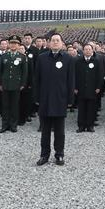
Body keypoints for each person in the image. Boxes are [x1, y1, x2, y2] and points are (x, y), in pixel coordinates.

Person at [34, 33, 75, 166]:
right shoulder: (42, 58)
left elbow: (71, 81)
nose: (55, 42)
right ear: (49, 43)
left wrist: (70, 99)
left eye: (58, 40)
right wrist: (36, 97)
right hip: (45, 99)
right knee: (45, 130)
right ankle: (44, 155)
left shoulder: (68, 59)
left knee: (59, 131)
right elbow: (37, 79)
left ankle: (59, 155)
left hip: (60, 99)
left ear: (62, 43)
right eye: (53, 40)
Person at [74, 43, 104, 132]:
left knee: (91, 108)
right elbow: (74, 75)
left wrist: (98, 87)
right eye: (86, 49)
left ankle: (90, 125)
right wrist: (75, 87)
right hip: (81, 89)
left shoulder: (96, 61)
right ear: (83, 51)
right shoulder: (78, 61)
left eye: (89, 49)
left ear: (92, 51)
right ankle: (81, 126)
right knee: (81, 109)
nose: (87, 51)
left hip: (92, 89)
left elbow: (100, 75)